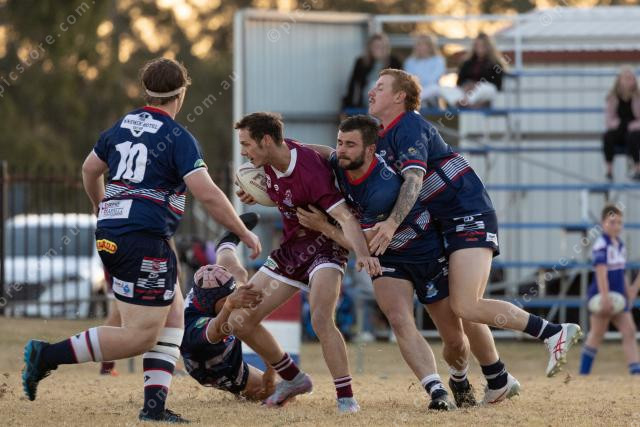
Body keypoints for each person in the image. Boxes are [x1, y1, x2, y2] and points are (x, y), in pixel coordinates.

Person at [21, 57, 261, 423]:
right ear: (181, 93)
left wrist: (100, 206)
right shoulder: (178, 137)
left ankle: (154, 408)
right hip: (142, 239)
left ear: (146, 91)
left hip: (120, 234)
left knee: (174, 315)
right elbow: (207, 193)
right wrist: (242, 232)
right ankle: (46, 356)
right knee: (139, 336)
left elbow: (89, 169)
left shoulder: (121, 126)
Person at [365, 68, 582, 378]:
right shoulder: (385, 135)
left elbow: (414, 179)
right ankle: (497, 380)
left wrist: (390, 224)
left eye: (380, 87)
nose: (372, 92)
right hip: (448, 222)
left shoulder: (409, 125)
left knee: (466, 306)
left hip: (468, 214)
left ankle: (552, 332)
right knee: (465, 309)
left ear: (400, 96)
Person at [302, 115, 520, 409]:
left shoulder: (381, 187)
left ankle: (459, 376)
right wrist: (285, 150)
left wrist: (324, 227)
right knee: (398, 318)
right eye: (340, 142)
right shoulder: (340, 161)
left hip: (424, 253)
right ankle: (437, 392)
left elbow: (364, 244)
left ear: (370, 150)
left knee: (455, 341)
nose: (341, 150)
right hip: (389, 258)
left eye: (350, 145)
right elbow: (319, 152)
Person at [233, 112, 381, 413]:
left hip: (326, 248)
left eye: (246, 144)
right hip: (291, 250)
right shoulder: (273, 157)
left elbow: (345, 218)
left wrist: (364, 254)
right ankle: (294, 378)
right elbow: (291, 183)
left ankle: (346, 398)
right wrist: (259, 194)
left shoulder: (310, 172)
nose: (243, 152)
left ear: (265, 140)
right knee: (240, 320)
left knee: (321, 319)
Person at [181, 213, 282, 400]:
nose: (234, 298)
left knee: (239, 276)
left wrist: (271, 367)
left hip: (220, 326)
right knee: (277, 393)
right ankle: (244, 391)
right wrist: (230, 304)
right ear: (215, 303)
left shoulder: (205, 292)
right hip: (215, 366)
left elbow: (252, 329)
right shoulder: (193, 322)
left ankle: (226, 244)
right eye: (227, 298)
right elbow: (216, 330)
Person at [580, 205, 640, 375]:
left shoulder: (620, 245)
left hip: (619, 297)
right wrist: (605, 298)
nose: (616, 226)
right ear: (603, 223)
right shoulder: (601, 245)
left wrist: (628, 291)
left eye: (619, 222)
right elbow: (601, 273)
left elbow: (621, 273)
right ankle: (583, 374)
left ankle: (635, 371)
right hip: (602, 297)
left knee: (629, 331)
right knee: (597, 334)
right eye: (612, 222)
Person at [440, 32, 508, 108]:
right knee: (445, 89)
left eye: (482, 45)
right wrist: (466, 85)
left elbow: (497, 84)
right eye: (477, 45)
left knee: (483, 88)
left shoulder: (495, 63)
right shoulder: (467, 62)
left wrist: (476, 84)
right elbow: (459, 81)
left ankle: (466, 103)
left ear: (488, 47)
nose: (479, 48)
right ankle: (464, 103)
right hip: (466, 90)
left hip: (484, 90)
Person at [342, 33, 402, 112]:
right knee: (372, 86)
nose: (378, 49)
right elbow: (353, 84)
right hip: (367, 96)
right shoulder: (361, 62)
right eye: (375, 46)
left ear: (385, 47)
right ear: (370, 47)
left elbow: (400, 83)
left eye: (381, 46)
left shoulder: (394, 62)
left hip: (387, 96)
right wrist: (348, 104)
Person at [602, 66, 640, 181]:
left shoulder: (638, 97)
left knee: (633, 136)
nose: (630, 81)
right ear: (620, 81)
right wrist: (619, 124)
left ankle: (638, 168)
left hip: (635, 129)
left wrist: (632, 125)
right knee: (607, 136)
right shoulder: (612, 98)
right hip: (619, 128)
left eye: (632, 78)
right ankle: (609, 170)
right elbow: (608, 119)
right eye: (627, 78)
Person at [403, 34, 445, 108]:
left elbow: (432, 79)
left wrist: (419, 80)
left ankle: (417, 99)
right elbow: (410, 80)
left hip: (432, 93)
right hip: (415, 90)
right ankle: (418, 100)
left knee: (435, 88)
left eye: (424, 44)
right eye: (418, 44)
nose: (420, 47)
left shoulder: (438, 60)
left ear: (430, 46)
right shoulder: (409, 61)